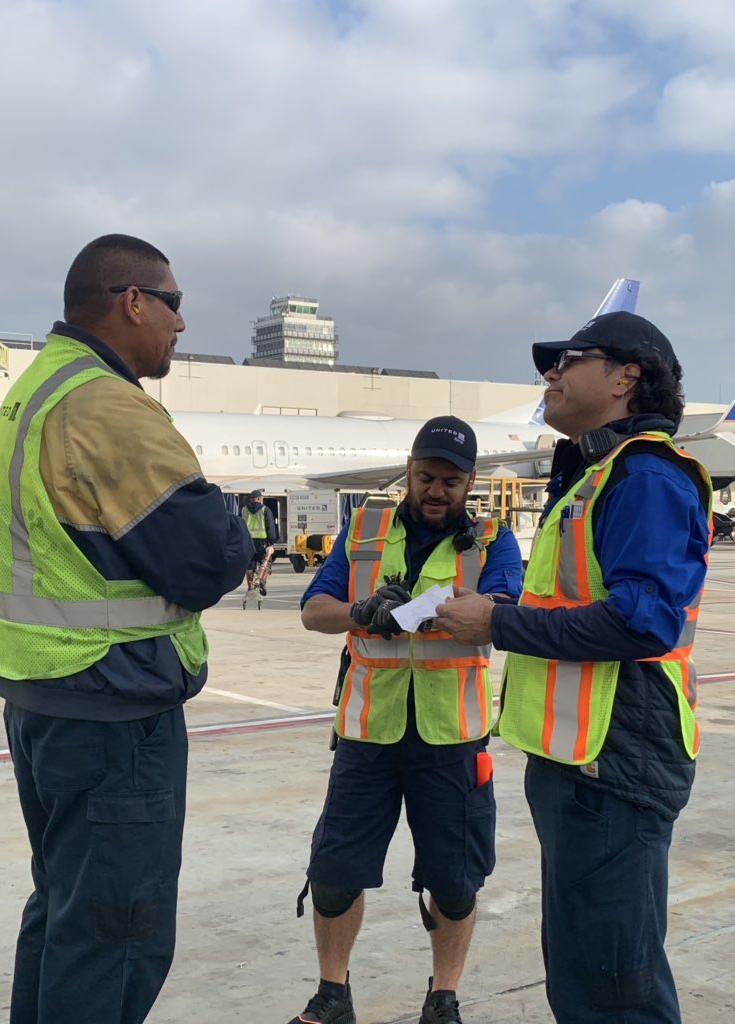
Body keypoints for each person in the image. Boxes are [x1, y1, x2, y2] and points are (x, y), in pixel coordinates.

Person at [0, 234, 253, 1024]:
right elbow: (208, 561)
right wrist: (230, 516)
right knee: (116, 937)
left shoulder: (37, 391)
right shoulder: (107, 404)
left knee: (64, 911)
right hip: (113, 710)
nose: (181, 325)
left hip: (46, 701)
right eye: (174, 304)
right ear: (133, 301)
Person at [435, 312, 712, 1024]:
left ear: (627, 377)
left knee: (617, 989)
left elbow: (642, 619)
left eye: (568, 359)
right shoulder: (593, 477)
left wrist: (498, 622)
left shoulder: (645, 477)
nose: (549, 373)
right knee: (586, 979)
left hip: (615, 762)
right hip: (576, 763)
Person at [289, 416, 523, 1024]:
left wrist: (436, 613)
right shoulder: (364, 530)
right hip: (368, 733)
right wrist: (361, 612)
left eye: (450, 480)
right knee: (336, 872)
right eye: (425, 477)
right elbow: (315, 611)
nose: (436, 491)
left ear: (471, 481)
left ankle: (443, 998)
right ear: (408, 473)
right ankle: (332, 995)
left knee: (453, 880)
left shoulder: (493, 539)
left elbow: (505, 606)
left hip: (454, 737)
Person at [241, 488, 277, 595]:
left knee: (249, 566)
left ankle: (250, 588)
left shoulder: (244, 510)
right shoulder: (265, 510)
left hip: (248, 542)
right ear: (259, 498)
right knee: (266, 562)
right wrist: (271, 542)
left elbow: (240, 525)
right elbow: (270, 526)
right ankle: (261, 580)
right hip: (262, 542)